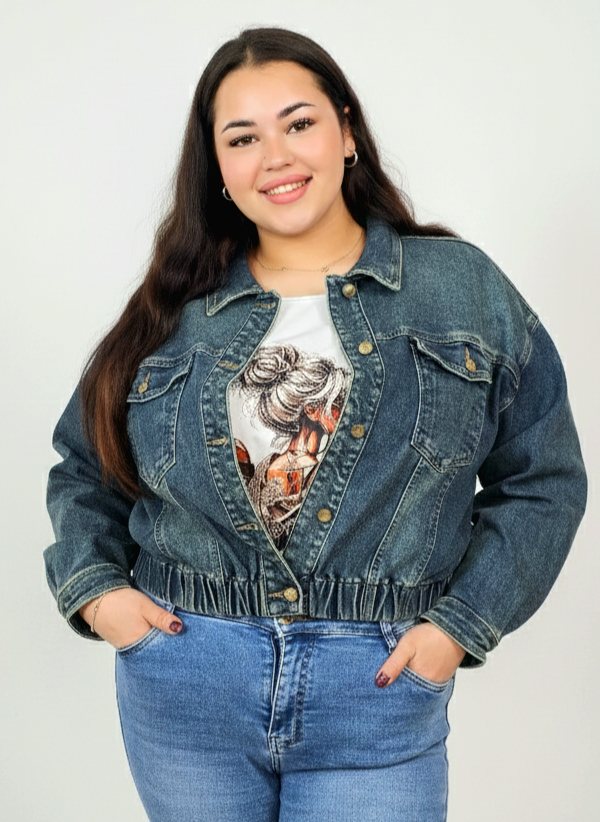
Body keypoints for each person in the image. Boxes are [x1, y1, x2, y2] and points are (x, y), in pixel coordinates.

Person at [44, 25, 587, 822]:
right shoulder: (174, 307)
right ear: (218, 169)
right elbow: (83, 468)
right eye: (242, 138)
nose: (276, 156)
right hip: (187, 685)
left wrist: (456, 628)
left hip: (375, 692)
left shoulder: (460, 290)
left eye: (298, 123)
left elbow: (544, 477)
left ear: (347, 132)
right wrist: (101, 598)